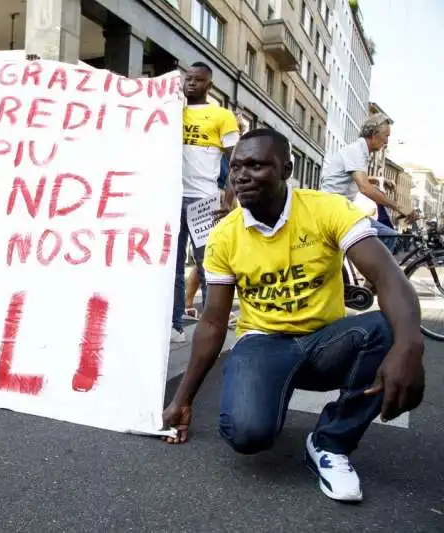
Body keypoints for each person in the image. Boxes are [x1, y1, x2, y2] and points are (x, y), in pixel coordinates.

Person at [162, 129, 425, 503]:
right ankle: (269, 391)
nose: (241, 175)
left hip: (325, 342)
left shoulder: (327, 209)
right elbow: (212, 322)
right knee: (248, 435)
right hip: (263, 343)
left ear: (285, 168)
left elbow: (386, 275)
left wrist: (410, 345)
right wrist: (183, 398)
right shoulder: (224, 236)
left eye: (256, 165)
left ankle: (330, 443)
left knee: (386, 330)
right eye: (236, 167)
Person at [172, 62, 240, 343]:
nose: (190, 84)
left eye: (197, 80)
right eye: (188, 78)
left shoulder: (222, 116)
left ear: (208, 86)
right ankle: (175, 324)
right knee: (173, 266)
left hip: (205, 200)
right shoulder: (172, 111)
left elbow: (236, 160)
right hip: (172, 197)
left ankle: (213, 326)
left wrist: (229, 198)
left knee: (208, 266)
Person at [321, 113, 415, 252]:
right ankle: (371, 271)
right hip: (334, 210)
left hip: (340, 208)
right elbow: (365, 188)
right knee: (389, 235)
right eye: (386, 136)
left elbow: (353, 176)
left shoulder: (361, 152)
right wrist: (399, 207)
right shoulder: (356, 151)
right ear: (373, 133)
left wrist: (378, 180)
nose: (387, 141)